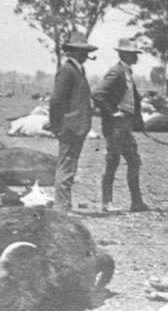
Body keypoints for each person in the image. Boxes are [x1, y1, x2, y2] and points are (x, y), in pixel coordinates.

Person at [92, 38, 148, 213]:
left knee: (134, 161)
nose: (136, 57)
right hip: (116, 125)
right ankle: (106, 202)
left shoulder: (127, 73)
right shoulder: (116, 72)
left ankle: (136, 202)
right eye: (132, 54)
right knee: (113, 162)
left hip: (126, 125)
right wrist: (112, 112)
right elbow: (98, 94)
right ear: (123, 54)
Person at [47, 31, 97, 212]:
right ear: (71, 52)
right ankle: (61, 206)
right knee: (66, 166)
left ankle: (63, 204)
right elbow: (56, 101)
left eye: (85, 51)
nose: (84, 55)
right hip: (70, 126)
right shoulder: (67, 71)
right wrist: (56, 125)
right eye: (80, 51)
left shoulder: (77, 70)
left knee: (70, 165)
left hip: (77, 126)